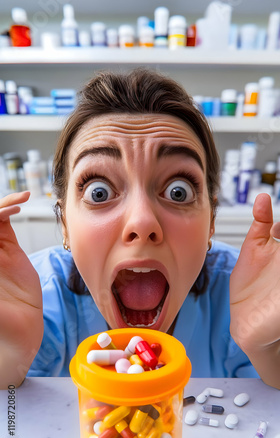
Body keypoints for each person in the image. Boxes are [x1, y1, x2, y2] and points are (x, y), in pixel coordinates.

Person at [1, 68, 280, 390]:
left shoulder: (247, 293)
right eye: (99, 192)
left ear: (211, 222)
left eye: (179, 191)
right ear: (64, 222)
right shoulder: (27, 298)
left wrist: (269, 349)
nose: (142, 222)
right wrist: (9, 357)